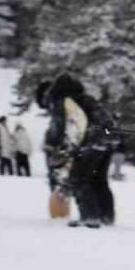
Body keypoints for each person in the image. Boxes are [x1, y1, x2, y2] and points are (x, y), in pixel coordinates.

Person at [37, 74, 117, 227]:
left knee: (79, 179)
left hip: (89, 143)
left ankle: (90, 217)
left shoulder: (64, 101)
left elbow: (58, 127)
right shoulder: (87, 100)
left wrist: (52, 146)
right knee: (98, 181)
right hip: (107, 142)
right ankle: (106, 217)